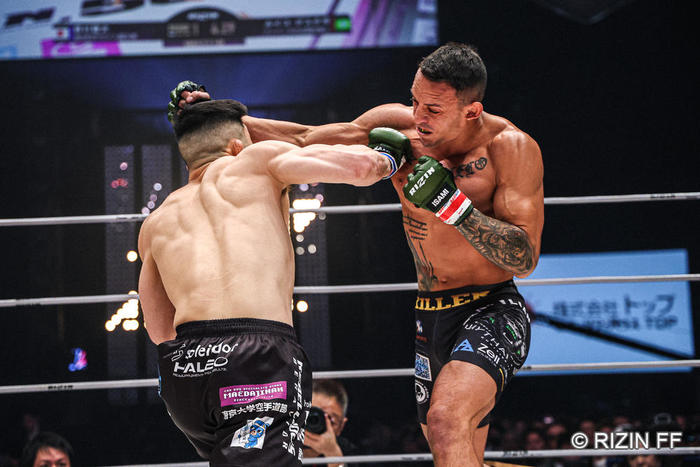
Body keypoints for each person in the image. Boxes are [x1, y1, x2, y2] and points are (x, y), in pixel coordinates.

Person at [173, 41, 544, 466]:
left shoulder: (510, 148)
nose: (418, 117)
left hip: (491, 309)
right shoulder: (401, 126)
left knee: (446, 421)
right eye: (415, 101)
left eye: (433, 109)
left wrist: (454, 206)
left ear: (472, 111)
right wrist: (211, 114)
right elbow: (305, 137)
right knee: (451, 446)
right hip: (430, 313)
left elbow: (524, 258)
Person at [138, 99, 410, 465]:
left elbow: (158, 328)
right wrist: (389, 158)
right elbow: (360, 167)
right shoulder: (254, 160)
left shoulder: (156, 221)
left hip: (185, 372)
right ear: (237, 145)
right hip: (255, 357)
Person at [303, 379, 357, 467]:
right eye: (310, 416)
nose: (315, 424)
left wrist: (334, 458)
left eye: (330, 420)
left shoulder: (349, 454)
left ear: (341, 426)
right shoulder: (280, 443)